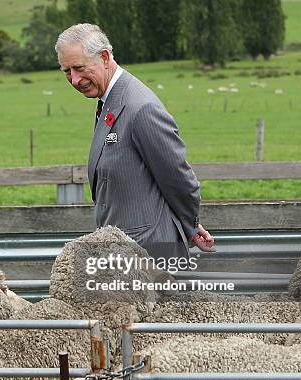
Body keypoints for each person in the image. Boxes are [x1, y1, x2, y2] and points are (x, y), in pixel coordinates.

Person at [55, 23, 215, 260]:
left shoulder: (140, 108)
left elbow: (179, 178)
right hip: (125, 253)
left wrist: (189, 224)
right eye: (67, 71)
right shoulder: (109, 101)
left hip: (150, 255)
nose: (75, 79)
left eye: (79, 68)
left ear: (105, 57)